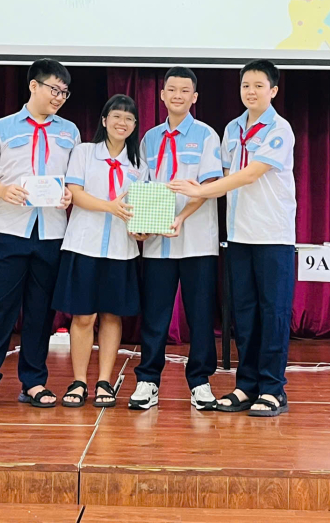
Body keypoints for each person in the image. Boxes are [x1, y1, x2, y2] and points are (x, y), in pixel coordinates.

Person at [169, 60, 295, 418]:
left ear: (273, 90)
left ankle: (272, 388)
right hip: (238, 235)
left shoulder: (279, 129)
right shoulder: (232, 128)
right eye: (245, 86)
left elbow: (250, 174)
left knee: (273, 313)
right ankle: (246, 385)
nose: (250, 92)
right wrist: (200, 191)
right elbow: (224, 177)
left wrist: (201, 190)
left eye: (258, 85)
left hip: (272, 235)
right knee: (245, 314)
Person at [0, 59, 78, 410]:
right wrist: (3, 191)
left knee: (40, 311)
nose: (59, 97)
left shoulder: (70, 132)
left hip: (52, 232)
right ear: (34, 86)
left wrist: (69, 195)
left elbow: (75, 181)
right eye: (54, 89)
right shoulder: (1, 128)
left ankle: (33, 381)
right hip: (9, 229)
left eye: (64, 92)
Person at [128, 67, 223, 412]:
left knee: (200, 315)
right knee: (155, 316)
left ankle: (200, 381)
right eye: (172, 89)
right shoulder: (149, 139)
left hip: (197, 241)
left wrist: (182, 217)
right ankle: (148, 380)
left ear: (194, 97)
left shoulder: (207, 136)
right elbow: (142, 187)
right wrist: (140, 224)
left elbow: (210, 187)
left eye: (185, 90)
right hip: (157, 243)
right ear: (162, 95)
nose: (178, 95)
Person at [54, 94, 147, 409]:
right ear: (105, 120)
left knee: (111, 314)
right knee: (83, 316)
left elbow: (141, 208)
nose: (122, 123)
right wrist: (110, 207)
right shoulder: (83, 152)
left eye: (129, 118)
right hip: (84, 245)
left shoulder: (139, 165)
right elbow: (75, 193)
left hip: (122, 249)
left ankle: (105, 381)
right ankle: (79, 381)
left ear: (134, 126)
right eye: (116, 116)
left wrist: (143, 228)